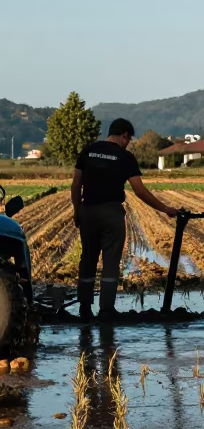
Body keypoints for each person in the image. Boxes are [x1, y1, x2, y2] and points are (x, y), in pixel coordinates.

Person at [71, 117, 179, 322]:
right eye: (128, 139)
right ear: (124, 135)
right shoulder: (125, 157)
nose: (128, 143)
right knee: (110, 263)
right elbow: (139, 190)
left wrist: (77, 211)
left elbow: (76, 185)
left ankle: (84, 308)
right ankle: (106, 311)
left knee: (87, 260)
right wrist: (165, 208)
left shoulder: (88, 150)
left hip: (88, 211)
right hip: (111, 214)